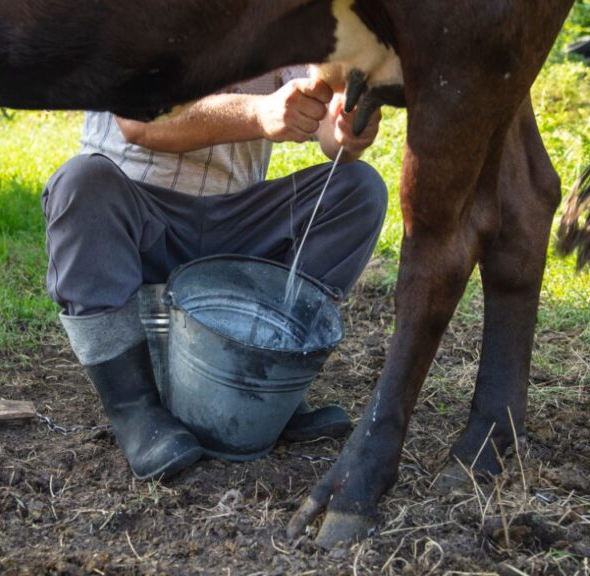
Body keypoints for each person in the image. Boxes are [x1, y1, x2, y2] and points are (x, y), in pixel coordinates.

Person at [43, 66, 388, 481]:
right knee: (81, 184)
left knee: (358, 191)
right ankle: (135, 408)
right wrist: (260, 113)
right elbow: (139, 123)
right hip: (137, 215)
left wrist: (345, 130)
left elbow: (330, 127)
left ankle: (271, 377)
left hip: (237, 224)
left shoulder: (280, 17)